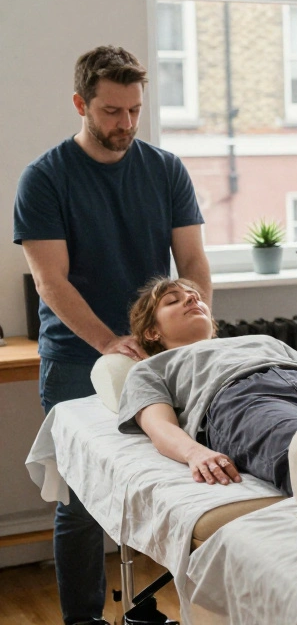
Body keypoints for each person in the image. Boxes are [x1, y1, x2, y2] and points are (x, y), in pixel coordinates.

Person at [12, 46, 211, 625]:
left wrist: (190, 332)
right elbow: (50, 280)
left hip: (158, 351)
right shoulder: (45, 178)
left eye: (134, 111)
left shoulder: (166, 168)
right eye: (110, 111)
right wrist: (106, 341)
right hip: (79, 355)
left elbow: (193, 260)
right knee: (78, 505)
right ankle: (82, 620)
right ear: (81, 104)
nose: (124, 124)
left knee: (181, 478)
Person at [116, 277, 297, 495]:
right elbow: (158, 425)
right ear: (152, 332)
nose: (191, 298)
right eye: (173, 301)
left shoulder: (264, 340)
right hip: (243, 398)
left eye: (194, 296)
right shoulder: (150, 367)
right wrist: (194, 453)